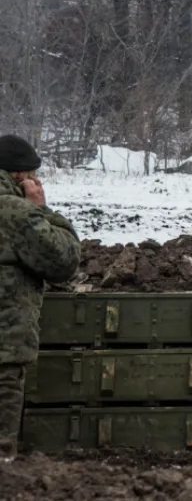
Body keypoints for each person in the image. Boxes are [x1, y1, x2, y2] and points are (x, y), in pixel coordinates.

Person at [0, 134, 81, 459]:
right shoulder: (14, 213)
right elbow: (64, 260)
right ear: (19, 175)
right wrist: (41, 208)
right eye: (32, 174)